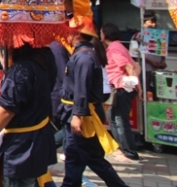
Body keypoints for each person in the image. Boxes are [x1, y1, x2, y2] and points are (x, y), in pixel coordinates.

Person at [0, 44, 57, 187]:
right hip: (38, 136)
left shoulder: (21, 69)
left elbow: (7, 110)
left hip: (20, 147)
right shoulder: (46, 57)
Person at [57, 16, 128, 187]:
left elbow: (82, 89)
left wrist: (77, 115)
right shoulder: (83, 54)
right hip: (76, 113)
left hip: (82, 115)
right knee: (74, 157)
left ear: (77, 34)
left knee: (91, 158)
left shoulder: (84, 58)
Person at [102, 22, 141, 162]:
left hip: (121, 87)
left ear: (105, 34)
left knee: (119, 119)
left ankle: (129, 152)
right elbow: (135, 66)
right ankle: (125, 149)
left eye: (101, 32)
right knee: (113, 117)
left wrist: (137, 88)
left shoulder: (114, 49)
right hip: (123, 87)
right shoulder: (118, 46)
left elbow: (129, 67)